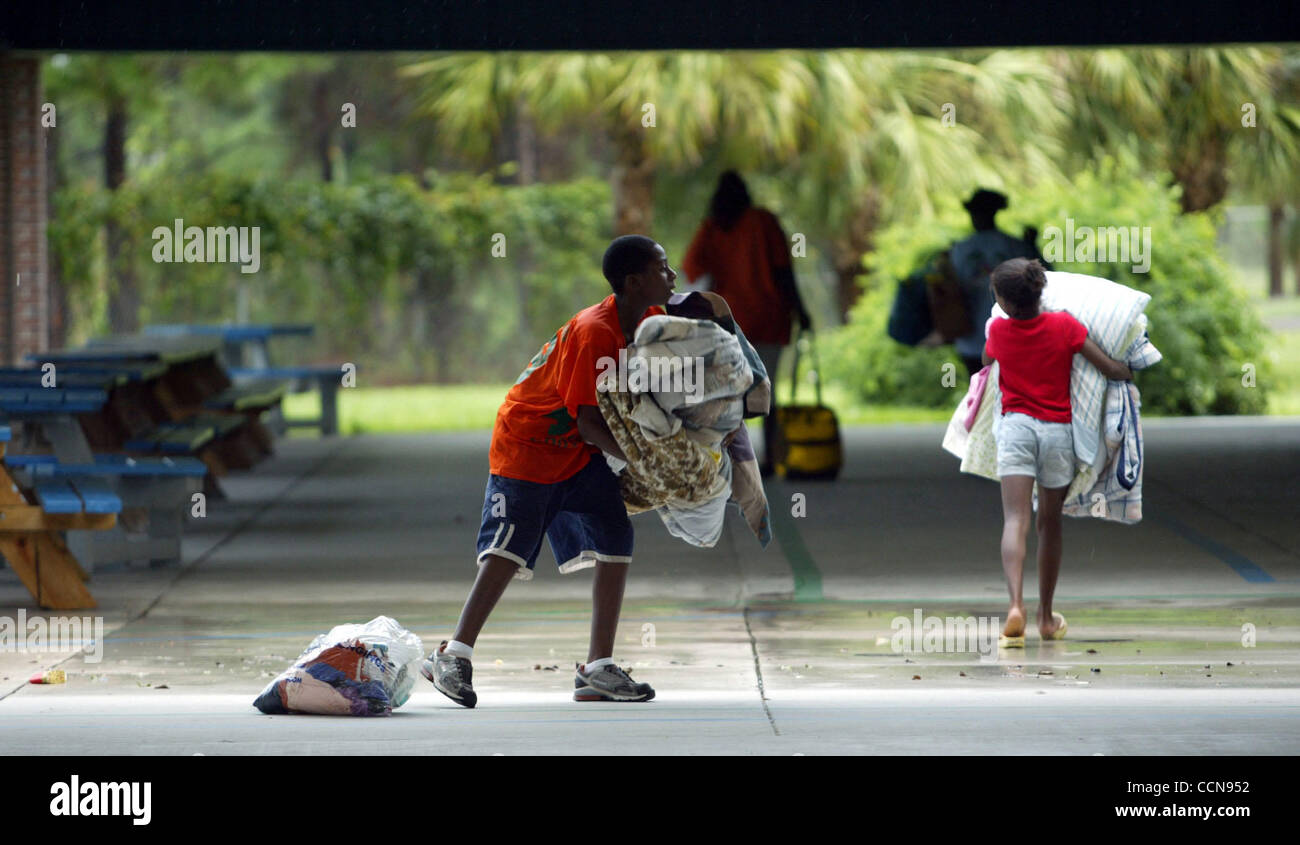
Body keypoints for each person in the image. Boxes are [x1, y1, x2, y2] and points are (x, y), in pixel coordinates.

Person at [422, 235, 676, 706]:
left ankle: (597, 668)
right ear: (634, 281)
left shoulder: (651, 319)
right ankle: (452, 654)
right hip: (530, 445)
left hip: (576, 451)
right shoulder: (594, 330)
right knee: (509, 550)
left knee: (615, 534)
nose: (672, 275)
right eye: (663, 269)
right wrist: (641, 457)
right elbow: (587, 420)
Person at [981, 258, 1132, 647]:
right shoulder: (1064, 325)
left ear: (1007, 303)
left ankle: (1015, 606)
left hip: (1015, 430)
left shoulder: (998, 330)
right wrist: (1126, 370)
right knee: (1050, 524)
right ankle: (1046, 617)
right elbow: (1109, 368)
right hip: (1056, 434)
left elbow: (986, 362)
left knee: (1015, 519)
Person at [682, 171, 810, 474]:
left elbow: (691, 269)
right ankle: (771, 460)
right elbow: (783, 271)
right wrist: (801, 310)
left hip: (727, 321)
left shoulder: (712, 228)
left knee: (727, 390)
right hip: (770, 317)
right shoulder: (763, 222)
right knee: (767, 389)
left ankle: (729, 457)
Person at [952, 189, 1048, 376]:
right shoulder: (1015, 246)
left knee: (978, 390)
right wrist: (1032, 247)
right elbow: (1047, 277)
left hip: (970, 338)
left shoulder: (959, 249)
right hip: (1014, 333)